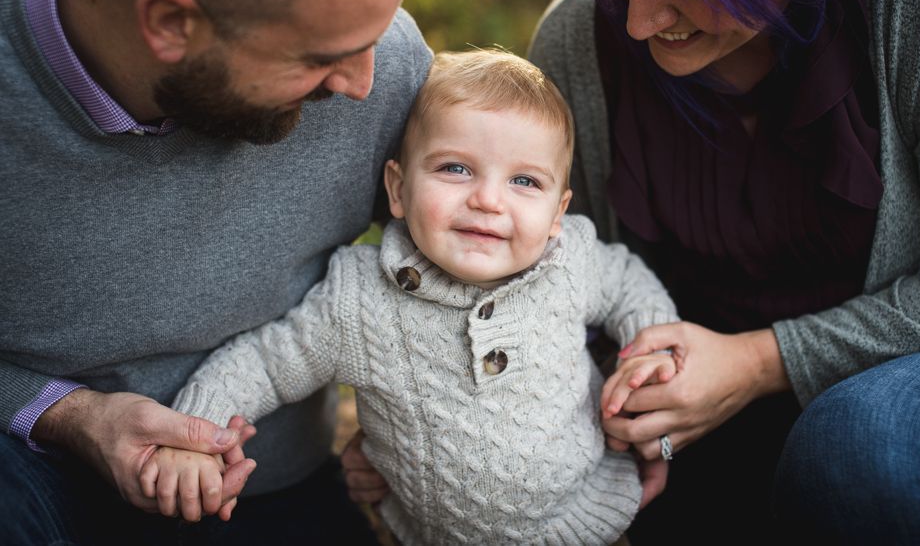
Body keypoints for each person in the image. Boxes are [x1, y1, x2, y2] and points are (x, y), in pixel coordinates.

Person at [527, 0, 920, 543]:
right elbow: (551, 287)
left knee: (866, 449)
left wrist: (759, 363)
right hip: (709, 426)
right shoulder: (579, 41)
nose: (638, 19)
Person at [0, 0, 439, 544]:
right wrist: (71, 415)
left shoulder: (381, 63)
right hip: (28, 470)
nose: (362, 85)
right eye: (322, 57)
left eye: (376, 35)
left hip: (265, 490)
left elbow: (491, 261)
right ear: (172, 23)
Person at [149, 49, 681, 545]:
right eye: (456, 168)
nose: (489, 199)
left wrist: (651, 353)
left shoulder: (573, 262)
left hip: (588, 518)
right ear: (398, 190)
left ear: (558, 212)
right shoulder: (359, 300)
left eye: (524, 181)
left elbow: (630, 284)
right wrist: (195, 435)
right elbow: (264, 363)